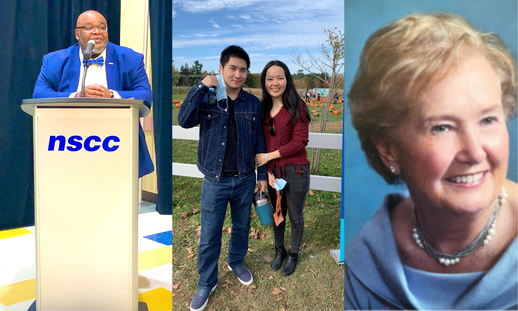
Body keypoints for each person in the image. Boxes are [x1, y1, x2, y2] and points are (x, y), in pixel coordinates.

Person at [345, 12, 517, 310]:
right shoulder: (364, 263)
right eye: (442, 127)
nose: (475, 153)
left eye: (488, 119)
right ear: (388, 150)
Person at [178, 45, 268, 311]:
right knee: (209, 235)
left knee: (241, 227)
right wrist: (200, 86)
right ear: (221, 68)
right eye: (232, 68)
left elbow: (259, 140)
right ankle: (206, 282)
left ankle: (236, 261)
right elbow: (183, 120)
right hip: (214, 180)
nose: (238, 74)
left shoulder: (252, 103)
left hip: (244, 179)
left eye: (243, 70)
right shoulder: (207, 99)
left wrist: (261, 175)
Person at [32, 10, 153, 178]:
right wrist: (75, 97)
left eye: (102, 27)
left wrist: (111, 96)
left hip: (117, 142)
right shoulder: (55, 60)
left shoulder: (130, 58)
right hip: (67, 142)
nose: (97, 32)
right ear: (77, 34)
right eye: (89, 28)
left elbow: (145, 95)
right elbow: (39, 94)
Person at [255, 60, 311, 276]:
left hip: (295, 171)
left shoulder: (297, 107)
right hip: (273, 174)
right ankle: (280, 250)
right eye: (270, 79)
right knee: (279, 213)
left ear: (287, 80)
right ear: (264, 82)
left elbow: (299, 142)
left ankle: (294, 253)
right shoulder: (262, 108)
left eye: (280, 77)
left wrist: (268, 156)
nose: (275, 83)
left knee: (295, 216)